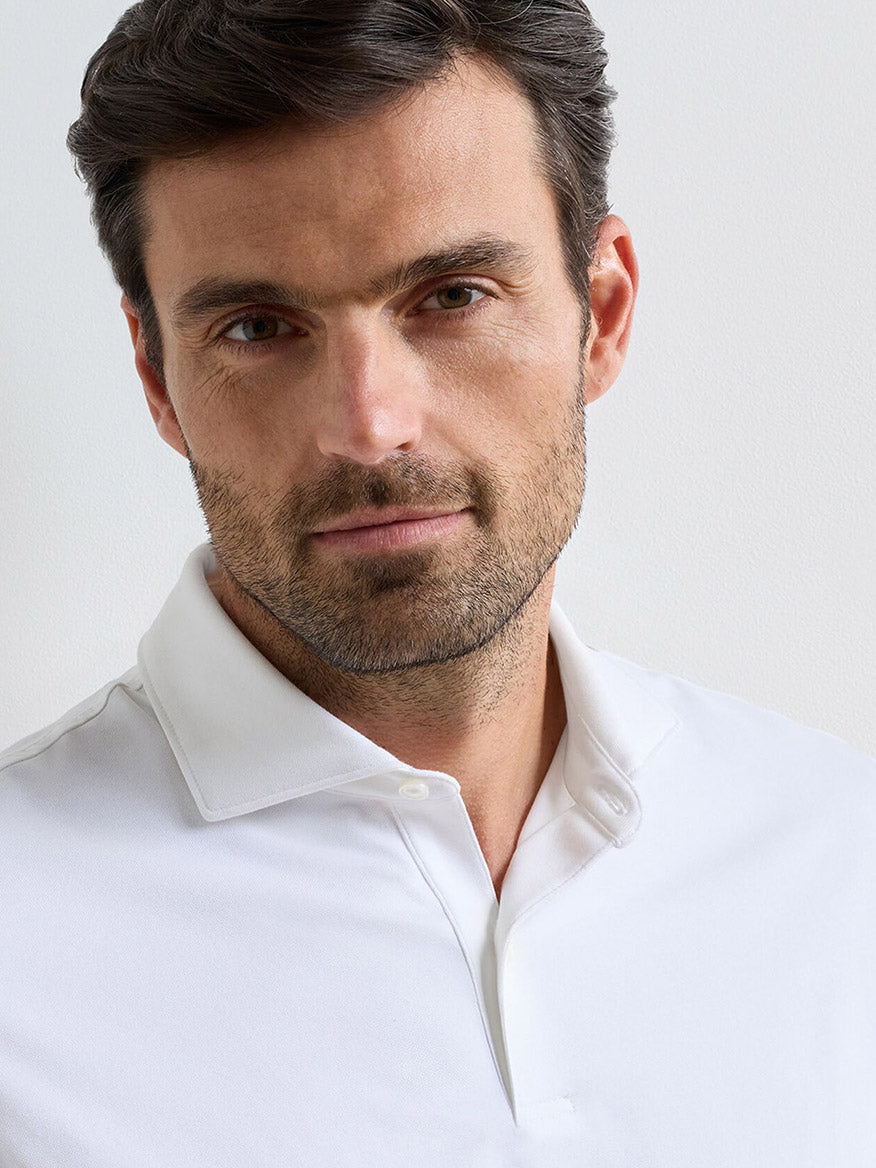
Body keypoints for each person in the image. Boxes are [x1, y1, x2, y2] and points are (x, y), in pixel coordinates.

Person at [1, 1, 873, 1164]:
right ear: (157, 378)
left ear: (601, 312)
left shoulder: (837, 852)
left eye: (452, 296)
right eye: (260, 327)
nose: (370, 428)